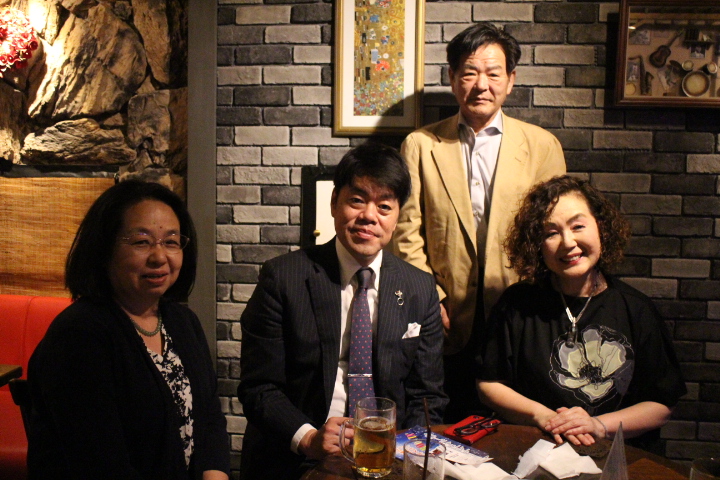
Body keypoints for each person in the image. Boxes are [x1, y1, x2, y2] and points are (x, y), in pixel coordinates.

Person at [237, 143, 448, 479]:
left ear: (397, 215)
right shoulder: (283, 278)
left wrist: (406, 456)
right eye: (357, 200)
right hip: (300, 456)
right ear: (335, 202)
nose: (369, 216)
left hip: (388, 456)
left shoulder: (419, 288)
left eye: (384, 206)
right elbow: (259, 388)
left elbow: (427, 395)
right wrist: (309, 438)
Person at [389, 22, 566, 421]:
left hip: (520, 308)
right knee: (443, 417)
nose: (481, 84)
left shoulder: (542, 146)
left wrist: (537, 296)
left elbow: (552, 230)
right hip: (446, 310)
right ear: (453, 78)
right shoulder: (420, 145)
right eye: (469, 72)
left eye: (493, 73)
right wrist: (430, 296)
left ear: (511, 80)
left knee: (516, 422)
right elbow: (405, 231)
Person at [27, 180, 230, 479]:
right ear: (105, 249)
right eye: (141, 242)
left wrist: (215, 475)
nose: (159, 257)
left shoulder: (183, 322)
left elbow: (209, 419)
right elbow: (99, 462)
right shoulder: (79, 334)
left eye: (171, 242)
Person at [477, 175, 686, 449]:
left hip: (614, 455)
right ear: (536, 245)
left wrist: (598, 425)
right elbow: (489, 383)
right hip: (534, 449)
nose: (568, 242)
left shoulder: (636, 308)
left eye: (578, 226)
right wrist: (545, 417)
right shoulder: (517, 303)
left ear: (601, 228)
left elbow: (662, 404)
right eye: (551, 233)